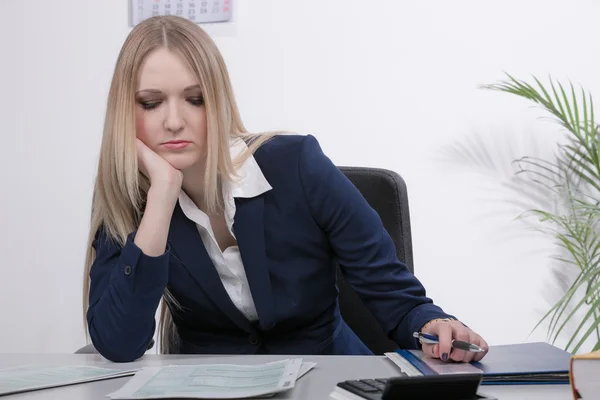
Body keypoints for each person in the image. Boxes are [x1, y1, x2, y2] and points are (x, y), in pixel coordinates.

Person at [83, 15, 488, 363]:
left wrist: (434, 326)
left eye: (195, 99)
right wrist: (162, 195)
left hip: (333, 382)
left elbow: (395, 296)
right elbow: (119, 345)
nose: (174, 121)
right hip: (210, 388)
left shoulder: (297, 165)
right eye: (151, 103)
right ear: (125, 112)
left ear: (219, 101)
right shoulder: (130, 202)